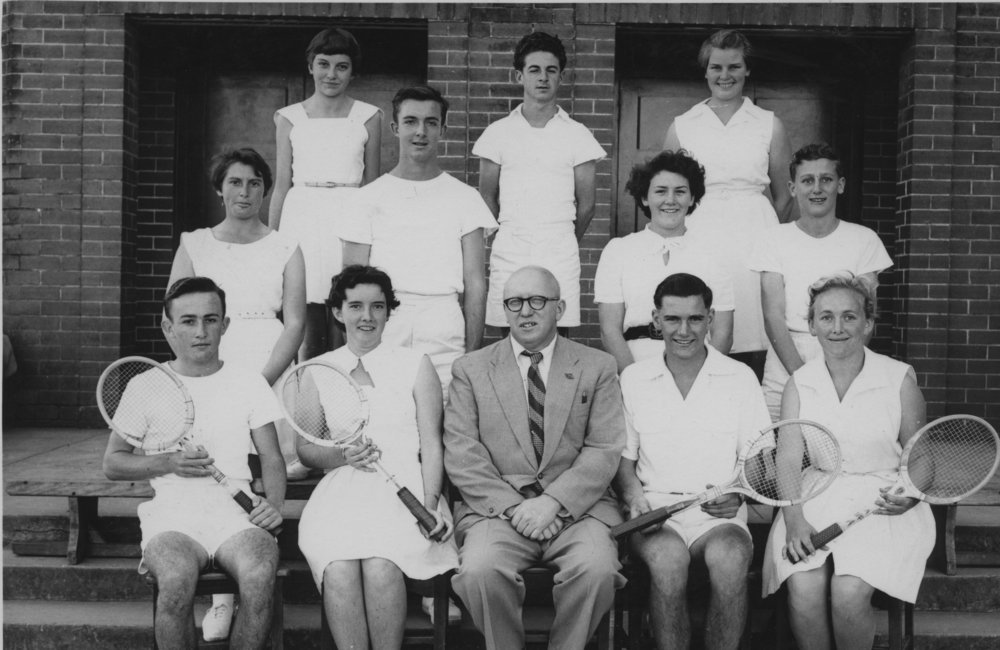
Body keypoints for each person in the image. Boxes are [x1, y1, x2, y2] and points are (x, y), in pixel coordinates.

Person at [444, 265, 626, 650]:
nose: (525, 311)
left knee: (597, 569)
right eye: (514, 302)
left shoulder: (598, 367)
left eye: (537, 301)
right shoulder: (471, 369)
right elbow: (463, 453)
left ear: (559, 308)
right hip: (498, 511)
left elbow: (604, 447)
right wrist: (516, 509)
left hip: (579, 510)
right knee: (478, 570)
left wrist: (553, 503)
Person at [103, 277, 285, 650]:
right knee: (174, 581)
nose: (201, 331)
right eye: (188, 321)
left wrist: (274, 507)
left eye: (210, 319)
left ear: (225, 325)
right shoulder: (146, 385)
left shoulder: (248, 382)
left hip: (237, 517)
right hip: (172, 518)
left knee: (260, 574)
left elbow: (272, 458)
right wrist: (169, 462)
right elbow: (113, 463)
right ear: (168, 327)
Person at [167, 148, 304, 639]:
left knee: (260, 470)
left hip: (269, 362)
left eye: (253, 183)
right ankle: (221, 598)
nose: (243, 193)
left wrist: (258, 383)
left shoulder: (285, 245)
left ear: (265, 190)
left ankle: (246, 582)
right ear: (219, 189)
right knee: (217, 465)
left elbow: (295, 321)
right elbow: (180, 311)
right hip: (209, 361)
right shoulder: (195, 242)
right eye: (234, 183)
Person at [762, 273, 934, 650]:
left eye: (849, 316)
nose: (837, 328)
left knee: (848, 591)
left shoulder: (899, 379)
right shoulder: (799, 382)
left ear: (868, 323)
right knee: (803, 587)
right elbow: (789, 460)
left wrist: (911, 494)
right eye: (825, 317)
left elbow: (921, 458)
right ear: (811, 325)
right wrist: (794, 521)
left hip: (884, 502)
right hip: (815, 495)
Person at [297, 265, 459, 648]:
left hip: (407, 492)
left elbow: (432, 444)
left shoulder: (415, 365)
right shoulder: (317, 370)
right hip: (341, 495)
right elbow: (305, 449)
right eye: (355, 306)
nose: (366, 317)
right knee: (337, 570)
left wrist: (432, 504)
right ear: (338, 312)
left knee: (382, 567)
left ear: (389, 311)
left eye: (377, 306)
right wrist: (343, 456)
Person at [614, 272, 771, 650]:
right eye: (672, 319)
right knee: (668, 563)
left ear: (710, 318)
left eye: (695, 319)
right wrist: (635, 500)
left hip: (719, 516)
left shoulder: (740, 377)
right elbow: (624, 464)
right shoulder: (634, 378)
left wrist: (739, 492)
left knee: (731, 559)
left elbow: (757, 460)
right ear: (656, 320)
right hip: (656, 512)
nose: (684, 330)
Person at [340, 85, 497, 396]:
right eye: (411, 121)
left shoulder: (465, 198)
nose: (420, 131)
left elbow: (476, 284)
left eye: (431, 122)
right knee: (382, 419)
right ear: (396, 128)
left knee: (445, 424)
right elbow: (351, 283)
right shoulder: (366, 199)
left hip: (444, 326)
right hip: (384, 323)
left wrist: (472, 354)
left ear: (443, 129)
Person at [664, 28, 794, 375]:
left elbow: (784, 194)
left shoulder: (769, 124)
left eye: (734, 67)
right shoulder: (683, 125)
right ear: (705, 71)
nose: (725, 76)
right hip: (701, 231)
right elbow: (668, 191)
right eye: (716, 67)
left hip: (754, 232)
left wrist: (764, 234)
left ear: (747, 70)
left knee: (754, 323)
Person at [750, 143, 893, 421]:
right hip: (786, 357)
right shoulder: (772, 239)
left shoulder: (864, 239)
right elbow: (773, 315)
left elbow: (865, 315)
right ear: (792, 188)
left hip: (845, 354)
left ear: (840, 185)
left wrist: (839, 369)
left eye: (826, 179)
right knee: (776, 444)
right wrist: (803, 376)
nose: (817, 189)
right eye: (807, 180)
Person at [475, 31, 605, 334]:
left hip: (559, 246)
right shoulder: (497, 133)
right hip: (512, 245)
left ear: (561, 76)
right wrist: (513, 234)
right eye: (534, 70)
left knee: (557, 331)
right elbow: (486, 199)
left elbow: (587, 205)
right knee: (509, 330)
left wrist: (561, 238)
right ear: (519, 75)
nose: (543, 78)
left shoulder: (578, 134)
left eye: (551, 70)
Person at [268, 27, 382, 361]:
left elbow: (372, 187)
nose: (331, 74)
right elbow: (281, 185)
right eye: (323, 64)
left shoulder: (369, 117)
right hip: (302, 213)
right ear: (310, 66)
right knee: (304, 317)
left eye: (341, 66)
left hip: (349, 214)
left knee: (347, 304)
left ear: (352, 71)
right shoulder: (289, 118)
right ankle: (306, 400)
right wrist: (273, 244)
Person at [595, 150, 734, 373]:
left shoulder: (713, 253)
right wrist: (634, 380)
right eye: (660, 191)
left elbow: (723, 333)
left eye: (680, 192)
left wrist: (700, 379)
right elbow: (609, 330)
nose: (670, 200)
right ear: (644, 197)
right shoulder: (618, 250)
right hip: (635, 363)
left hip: (697, 365)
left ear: (692, 198)